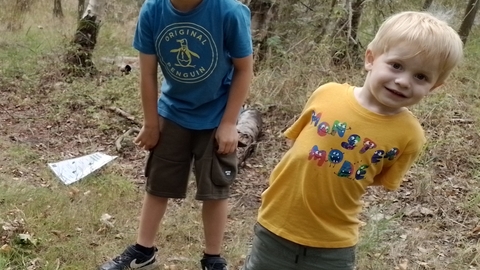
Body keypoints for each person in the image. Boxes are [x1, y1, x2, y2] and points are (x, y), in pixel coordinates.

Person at [242, 11, 463, 270]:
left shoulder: (410, 136)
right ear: (371, 58)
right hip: (275, 225)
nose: (403, 81)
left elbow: (373, 179)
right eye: (396, 65)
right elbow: (297, 146)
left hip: (334, 244)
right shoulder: (327, 94)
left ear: (435, 86)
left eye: (421, 77)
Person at [98, 0, 253, 269]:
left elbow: (244, 68)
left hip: (217, 113)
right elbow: (147, 72)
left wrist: (229, 123)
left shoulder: (228, 11)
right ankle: (143, 250)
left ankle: (212, 258)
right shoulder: (153, 10)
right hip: (173, 111)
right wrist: (151, 123)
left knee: (215, 188)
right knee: (158, 182)